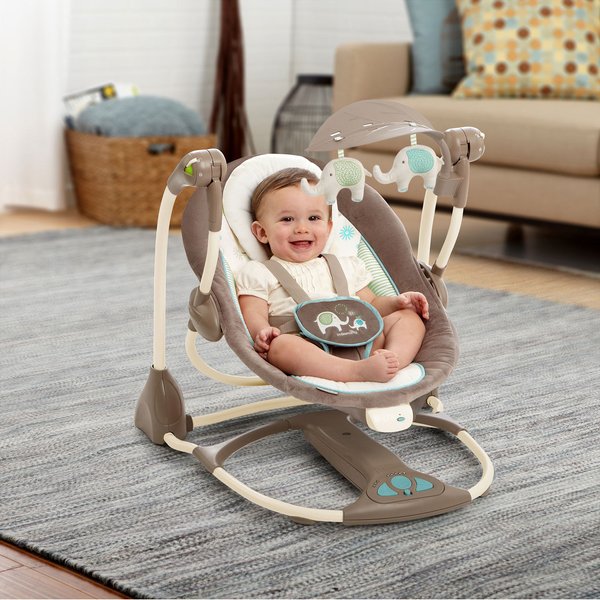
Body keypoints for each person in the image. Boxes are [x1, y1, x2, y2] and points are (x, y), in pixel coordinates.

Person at [237, 167, 429, 384]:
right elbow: (252, 312)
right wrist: (262, 330)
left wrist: (397, 303)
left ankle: (392, 359)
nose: (302, 228)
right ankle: (354, 371)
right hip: (309, 346)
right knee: (280, 347)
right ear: (262, 232)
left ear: (329, 228)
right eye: (287, 219)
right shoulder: (258, 272)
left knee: (408, 318)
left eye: (313, 218)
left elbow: (372, 305)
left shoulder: (346, 265)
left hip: (364, 338)